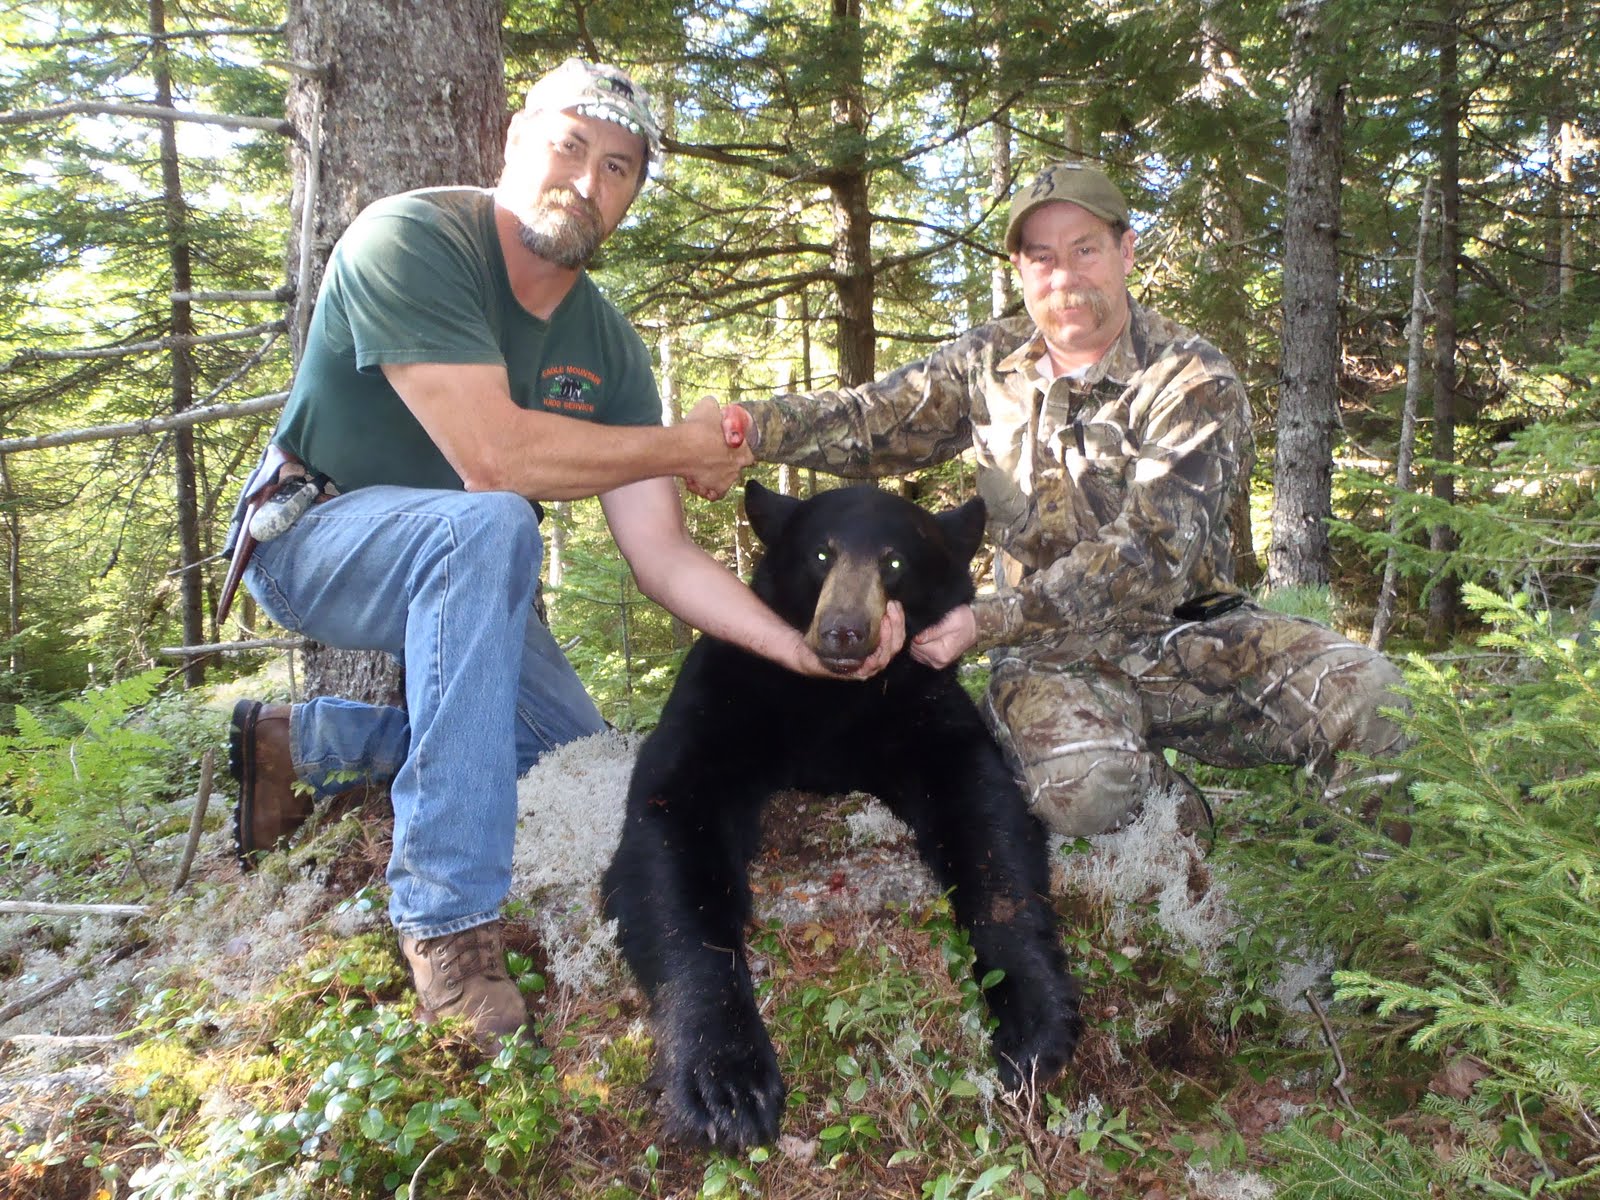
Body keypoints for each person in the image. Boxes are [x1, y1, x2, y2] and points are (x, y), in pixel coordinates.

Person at [224, 58, 903, 1050]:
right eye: (572, 147)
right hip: (316, 539)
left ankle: (311, 743)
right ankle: (447, 921)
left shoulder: (608, 348)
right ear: (513, 138)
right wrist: (680, 444)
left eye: (620, 168)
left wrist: (792, 648)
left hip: (459, 571)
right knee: (491, 519)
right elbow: (491, 456)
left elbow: (662, 554)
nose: (589, 183)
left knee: (579, 762)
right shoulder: (410, 238)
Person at [724, 161, 1407, 844]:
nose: (1065, 276)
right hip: (1048, 655)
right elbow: (873, 422)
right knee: (1084, 791)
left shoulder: (1190, 376)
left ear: (1125, 250)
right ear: (1019, 268)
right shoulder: (988, 362)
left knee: (1374, 696)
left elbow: (1153, 550)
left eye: (1085, 249)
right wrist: (747, 430)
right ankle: (1171, 819)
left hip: (1191, 638)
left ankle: (1365, 914)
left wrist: (986, 621)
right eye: (1042, 257)